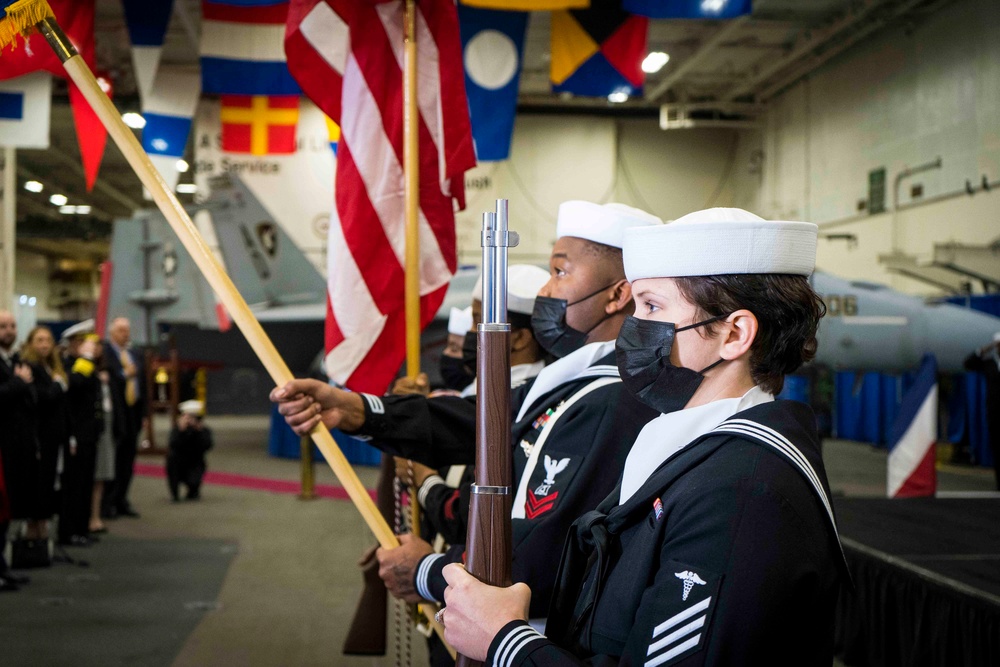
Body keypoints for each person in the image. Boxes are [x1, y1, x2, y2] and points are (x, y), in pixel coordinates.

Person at [439, 208, 849, 666]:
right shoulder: (690, 450)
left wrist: (507, 642)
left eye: (653, 307)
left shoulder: (741, 491)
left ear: (734, 334)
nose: (633, 329)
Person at [273, 201, 662, 631]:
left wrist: (428, 570)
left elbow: (536, 550)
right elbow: (478, 420)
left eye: (560, 272)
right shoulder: (581, 378)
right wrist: (356, 410)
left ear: (618, 294)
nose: (547, 292)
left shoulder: (611, 397)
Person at [19, 326, 69, 541]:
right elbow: (42, 398)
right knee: (37, 481)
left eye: (48, 340)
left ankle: (42, 522)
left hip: (53, 434)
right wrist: (59, 386)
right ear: (31, 343)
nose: (45, 344)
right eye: (39, 340)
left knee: (48, 480)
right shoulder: (29, 367)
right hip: (39, 434)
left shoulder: (51, 366)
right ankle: (34, 526)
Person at [60, 335, 104, 546]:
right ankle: (70, 531)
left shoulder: (87, 366)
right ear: (76, 345)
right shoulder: (69, 365)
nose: (93, 349)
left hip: (90, 434)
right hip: (77, 435)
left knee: (86, 483)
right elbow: (75, 384)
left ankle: (81, 527)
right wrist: (86, 358)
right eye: (88, 345)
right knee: (74, 485)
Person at [0, 311, 33, 590]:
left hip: (16, 444)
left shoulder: (16, 360)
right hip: (2, 443)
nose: (9, 331)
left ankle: (3, 566)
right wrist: (19, 383)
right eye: (3, 327)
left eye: (12, 326)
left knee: (6, 509)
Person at [103, 317, 146, 518]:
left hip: (133, 413)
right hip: (116, 415)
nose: (125, 334)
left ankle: (122, 499)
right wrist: (123, 374)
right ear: (112, 332)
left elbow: (143, 385)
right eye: (121, 330)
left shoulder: (135, 354)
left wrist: (144, 414)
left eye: (127, 330)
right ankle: (108, 501)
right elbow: (110, 379)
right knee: (115, 459)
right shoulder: (105, 353)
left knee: (129, 460)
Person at [964, 332, 1000, 489]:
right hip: (994, 414)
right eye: (998, 345)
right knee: (997, 450)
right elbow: (968, 363)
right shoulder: (989, 364)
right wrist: (983, 350)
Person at [167, 400, 213, 501]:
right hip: (178, 462)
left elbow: (208, 446)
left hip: (195, 462)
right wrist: (181, 431)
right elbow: (172, 444)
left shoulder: (204, 431)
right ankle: (175, 494)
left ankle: (193, 491)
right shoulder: (177, 430)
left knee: (194, 480)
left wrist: (199, 431)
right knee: (172, 462)